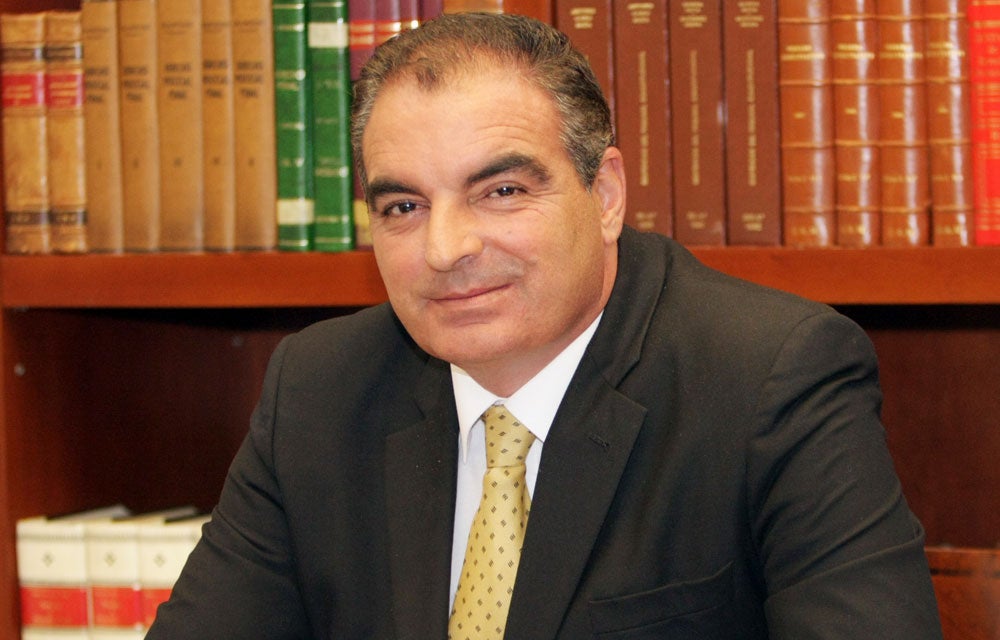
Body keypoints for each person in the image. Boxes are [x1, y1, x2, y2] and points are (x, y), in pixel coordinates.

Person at [146, 12, 943, 639]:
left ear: (606, 196)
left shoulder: (771, 377)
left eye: (501, 193)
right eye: (404, 206)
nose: (446, 249)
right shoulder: (319, 389)